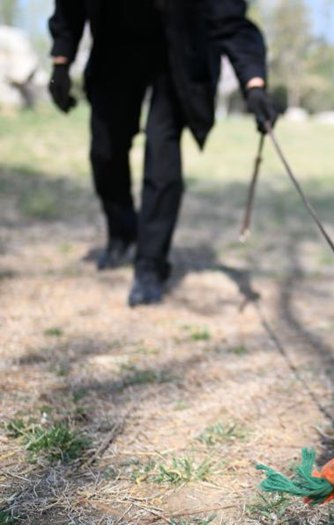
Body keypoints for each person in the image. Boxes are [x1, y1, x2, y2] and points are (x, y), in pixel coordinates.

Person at [48, 0, 277, 306]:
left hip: (179, 51)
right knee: (105, 149)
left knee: (162, 151)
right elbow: (69, 5)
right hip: (116, 45)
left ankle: (151, 264)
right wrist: (61, 62)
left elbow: (230, 20)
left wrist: (254, 84)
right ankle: (122, 231)